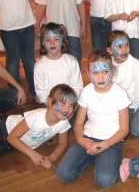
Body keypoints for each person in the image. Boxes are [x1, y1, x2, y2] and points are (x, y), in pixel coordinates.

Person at [55, 50, 130, 188]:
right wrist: (80, 140)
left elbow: (124, 129)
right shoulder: (87, 91)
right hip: (88, 137)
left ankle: (101, 157)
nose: (100, 77)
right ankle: (94, 155)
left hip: (111, 141)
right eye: (95, 72)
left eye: (105, 72)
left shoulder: (120, 93)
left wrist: (103, 145)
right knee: (63, 174)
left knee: (104, 180)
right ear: (88, 73)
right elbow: (78, 123)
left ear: (112, 71)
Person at [34, 22, 83, 106]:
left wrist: (68, 102)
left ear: (63, 41)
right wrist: (55, 104)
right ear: (43, 42)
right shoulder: (39, 66)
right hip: (50, 104)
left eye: (56, 39)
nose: (52, 43)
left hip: (70, 102)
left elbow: (78, 85)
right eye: (48, 40)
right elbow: (41, 92)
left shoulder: (71, 61)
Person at [106, 30, 139, 121]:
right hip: (112, 104)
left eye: (126, 45)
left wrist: (136, 109)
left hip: (129, 105)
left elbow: (138, 90)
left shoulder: (137, 65)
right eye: (119, 46)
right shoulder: (107, 64)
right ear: (110, 50)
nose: (124, 49)